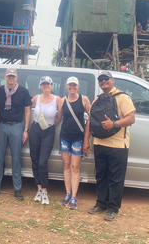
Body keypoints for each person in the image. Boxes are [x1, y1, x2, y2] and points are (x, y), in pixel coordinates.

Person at [84, 70, 136, 221]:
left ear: (112, 80)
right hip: (99, 143)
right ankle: (101, 203)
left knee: (115, 178)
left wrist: (113, 124)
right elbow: (89, 121)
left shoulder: (123, 98)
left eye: (106, 78)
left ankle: (113, 208)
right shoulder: (97, 99)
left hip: (118, 145)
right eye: (100, 79)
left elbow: (131, 118)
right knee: (101, 176)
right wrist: (86, 140)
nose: (103, 81)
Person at [0, 68, 32, 201]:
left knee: (16, 158)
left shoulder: (23, 91)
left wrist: (26, 130)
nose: (11, 78)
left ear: (16, 77)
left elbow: (27, 112)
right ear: (5, 77)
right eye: (9, 76)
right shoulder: (0, 90)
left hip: (17, 126)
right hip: (1, 125)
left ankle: (17, 189)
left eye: (13, 76)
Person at [56, 76, 91, 210]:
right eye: (70, 85)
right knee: (66, 165)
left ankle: (74, 196)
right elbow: (59, 117)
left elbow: (91, 116)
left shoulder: (83, 99)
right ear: (66, 86)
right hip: (64, 137)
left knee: (75, 167)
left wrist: (87, 138)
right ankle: (68, 193)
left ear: (78, 86)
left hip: (78, 137)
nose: (72, 87)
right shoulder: (62, 100)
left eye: (74, 85)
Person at [29, 76, 60, 205]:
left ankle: (45, 190)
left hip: (49, 131)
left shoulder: (57, 99)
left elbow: (59, 117)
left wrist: (51, 126)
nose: (46, 86)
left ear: (51, 85)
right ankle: (39, 189)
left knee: (43, 162)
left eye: (48, 84)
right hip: (35, 130)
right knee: (35, 160)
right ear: (40, 86)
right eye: (43, 84)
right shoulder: (37, 98)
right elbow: (27, 107)